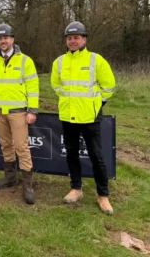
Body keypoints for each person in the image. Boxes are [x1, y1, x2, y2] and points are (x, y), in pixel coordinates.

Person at [51, 21, 116, 215]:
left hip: (90, 117)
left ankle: (103, 195)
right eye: (69, 38)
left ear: (84, 39)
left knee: (97, 156)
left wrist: (96, 105)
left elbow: (109, 86)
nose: (72, 41)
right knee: (71, 153)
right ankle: (76, 188)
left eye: (76, 38)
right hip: (68, 116)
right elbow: (56, 85)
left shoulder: (96, 60)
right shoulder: (59, 62)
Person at [0, 23, 39, 205]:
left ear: (12, 39)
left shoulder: (25, 61)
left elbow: (33, 86)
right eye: (0, 38)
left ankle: (27, 186)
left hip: (19, 112)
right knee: (6, 145)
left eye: (6, 38)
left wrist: (33, 110)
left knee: (21, 147)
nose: (3, 41)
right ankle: (10, 178)